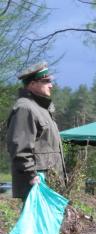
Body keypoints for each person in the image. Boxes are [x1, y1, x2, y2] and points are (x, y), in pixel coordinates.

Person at [5, 62, 65, 201]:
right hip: (36, 186)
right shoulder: (25, 108)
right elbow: (20, 149)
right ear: (32, 84)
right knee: (36, 223)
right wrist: (32, 176)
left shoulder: (41, 109)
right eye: (46, 81)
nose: (51, 85)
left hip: (48, 185)